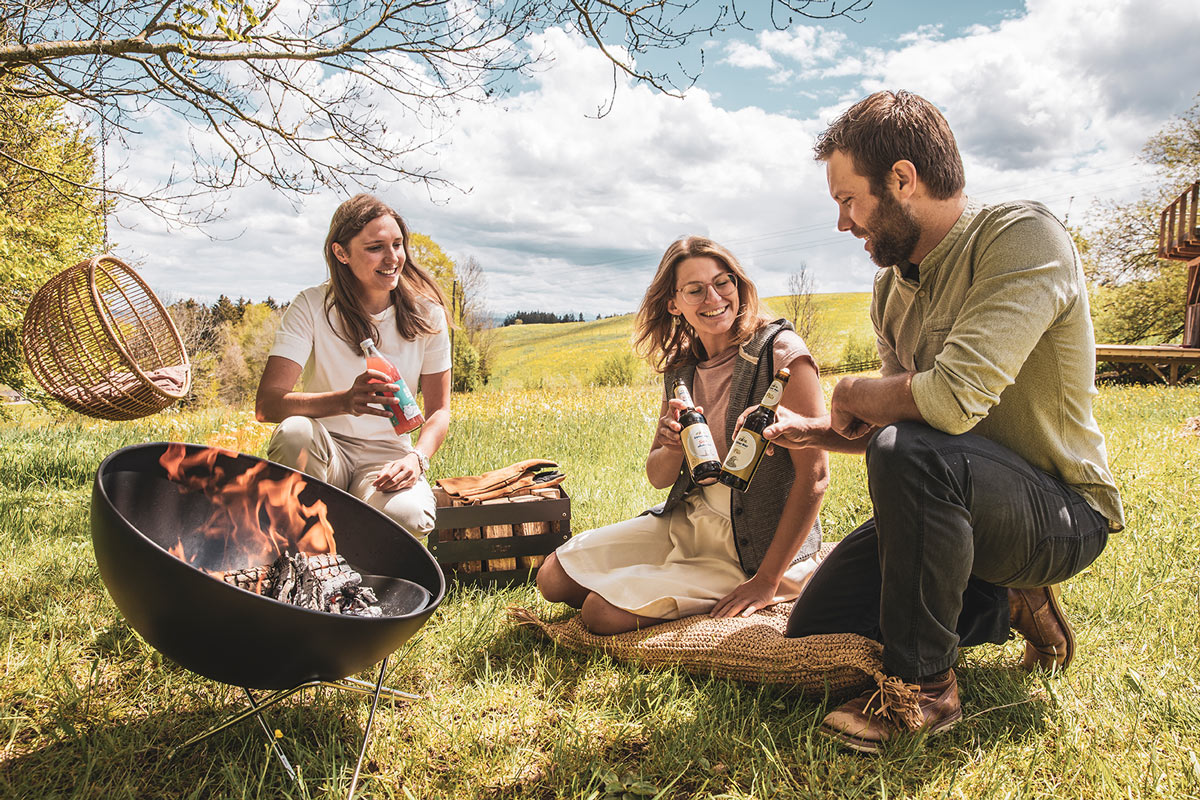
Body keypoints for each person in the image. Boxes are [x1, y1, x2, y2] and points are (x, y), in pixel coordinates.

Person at [757, 90, 1124, 752]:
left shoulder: (1022, 236)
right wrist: (820, 432)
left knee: (910, 451)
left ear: (902, 179)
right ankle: (1009, 602)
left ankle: (924, 689)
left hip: (1059, 514)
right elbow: (899, 423)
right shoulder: (890, 288)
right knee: (820, 627)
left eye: (848, 199)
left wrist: (854, 389)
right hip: (949, 502)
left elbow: (946, 403)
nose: (842, 222)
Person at [536, 236, 829, 634]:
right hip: (690, 522)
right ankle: (661, 581)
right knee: (552, 578)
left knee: (599, 614)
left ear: (738, 285)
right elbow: (658, 477)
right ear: (674, 303)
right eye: (695, 290)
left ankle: (664, 587)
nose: (714, 298)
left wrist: (766, 581)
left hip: (755, 548)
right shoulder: (682, 369)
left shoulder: (781, 352)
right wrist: (671, 446)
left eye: (722, 282)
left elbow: (815, 476)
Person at [255, 193, 451, 535]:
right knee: (294, 433)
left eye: (397, 245)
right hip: (323, 450)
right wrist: (344, 401)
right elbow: (267, 404)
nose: (392, 258)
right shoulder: (311, 306)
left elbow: (439, 411)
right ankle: (306, 547)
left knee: (410, 518)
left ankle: (342, 530)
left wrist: (416, 459)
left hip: (386, 459)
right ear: (341, 253)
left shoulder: (427, 314)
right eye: (375, 248)